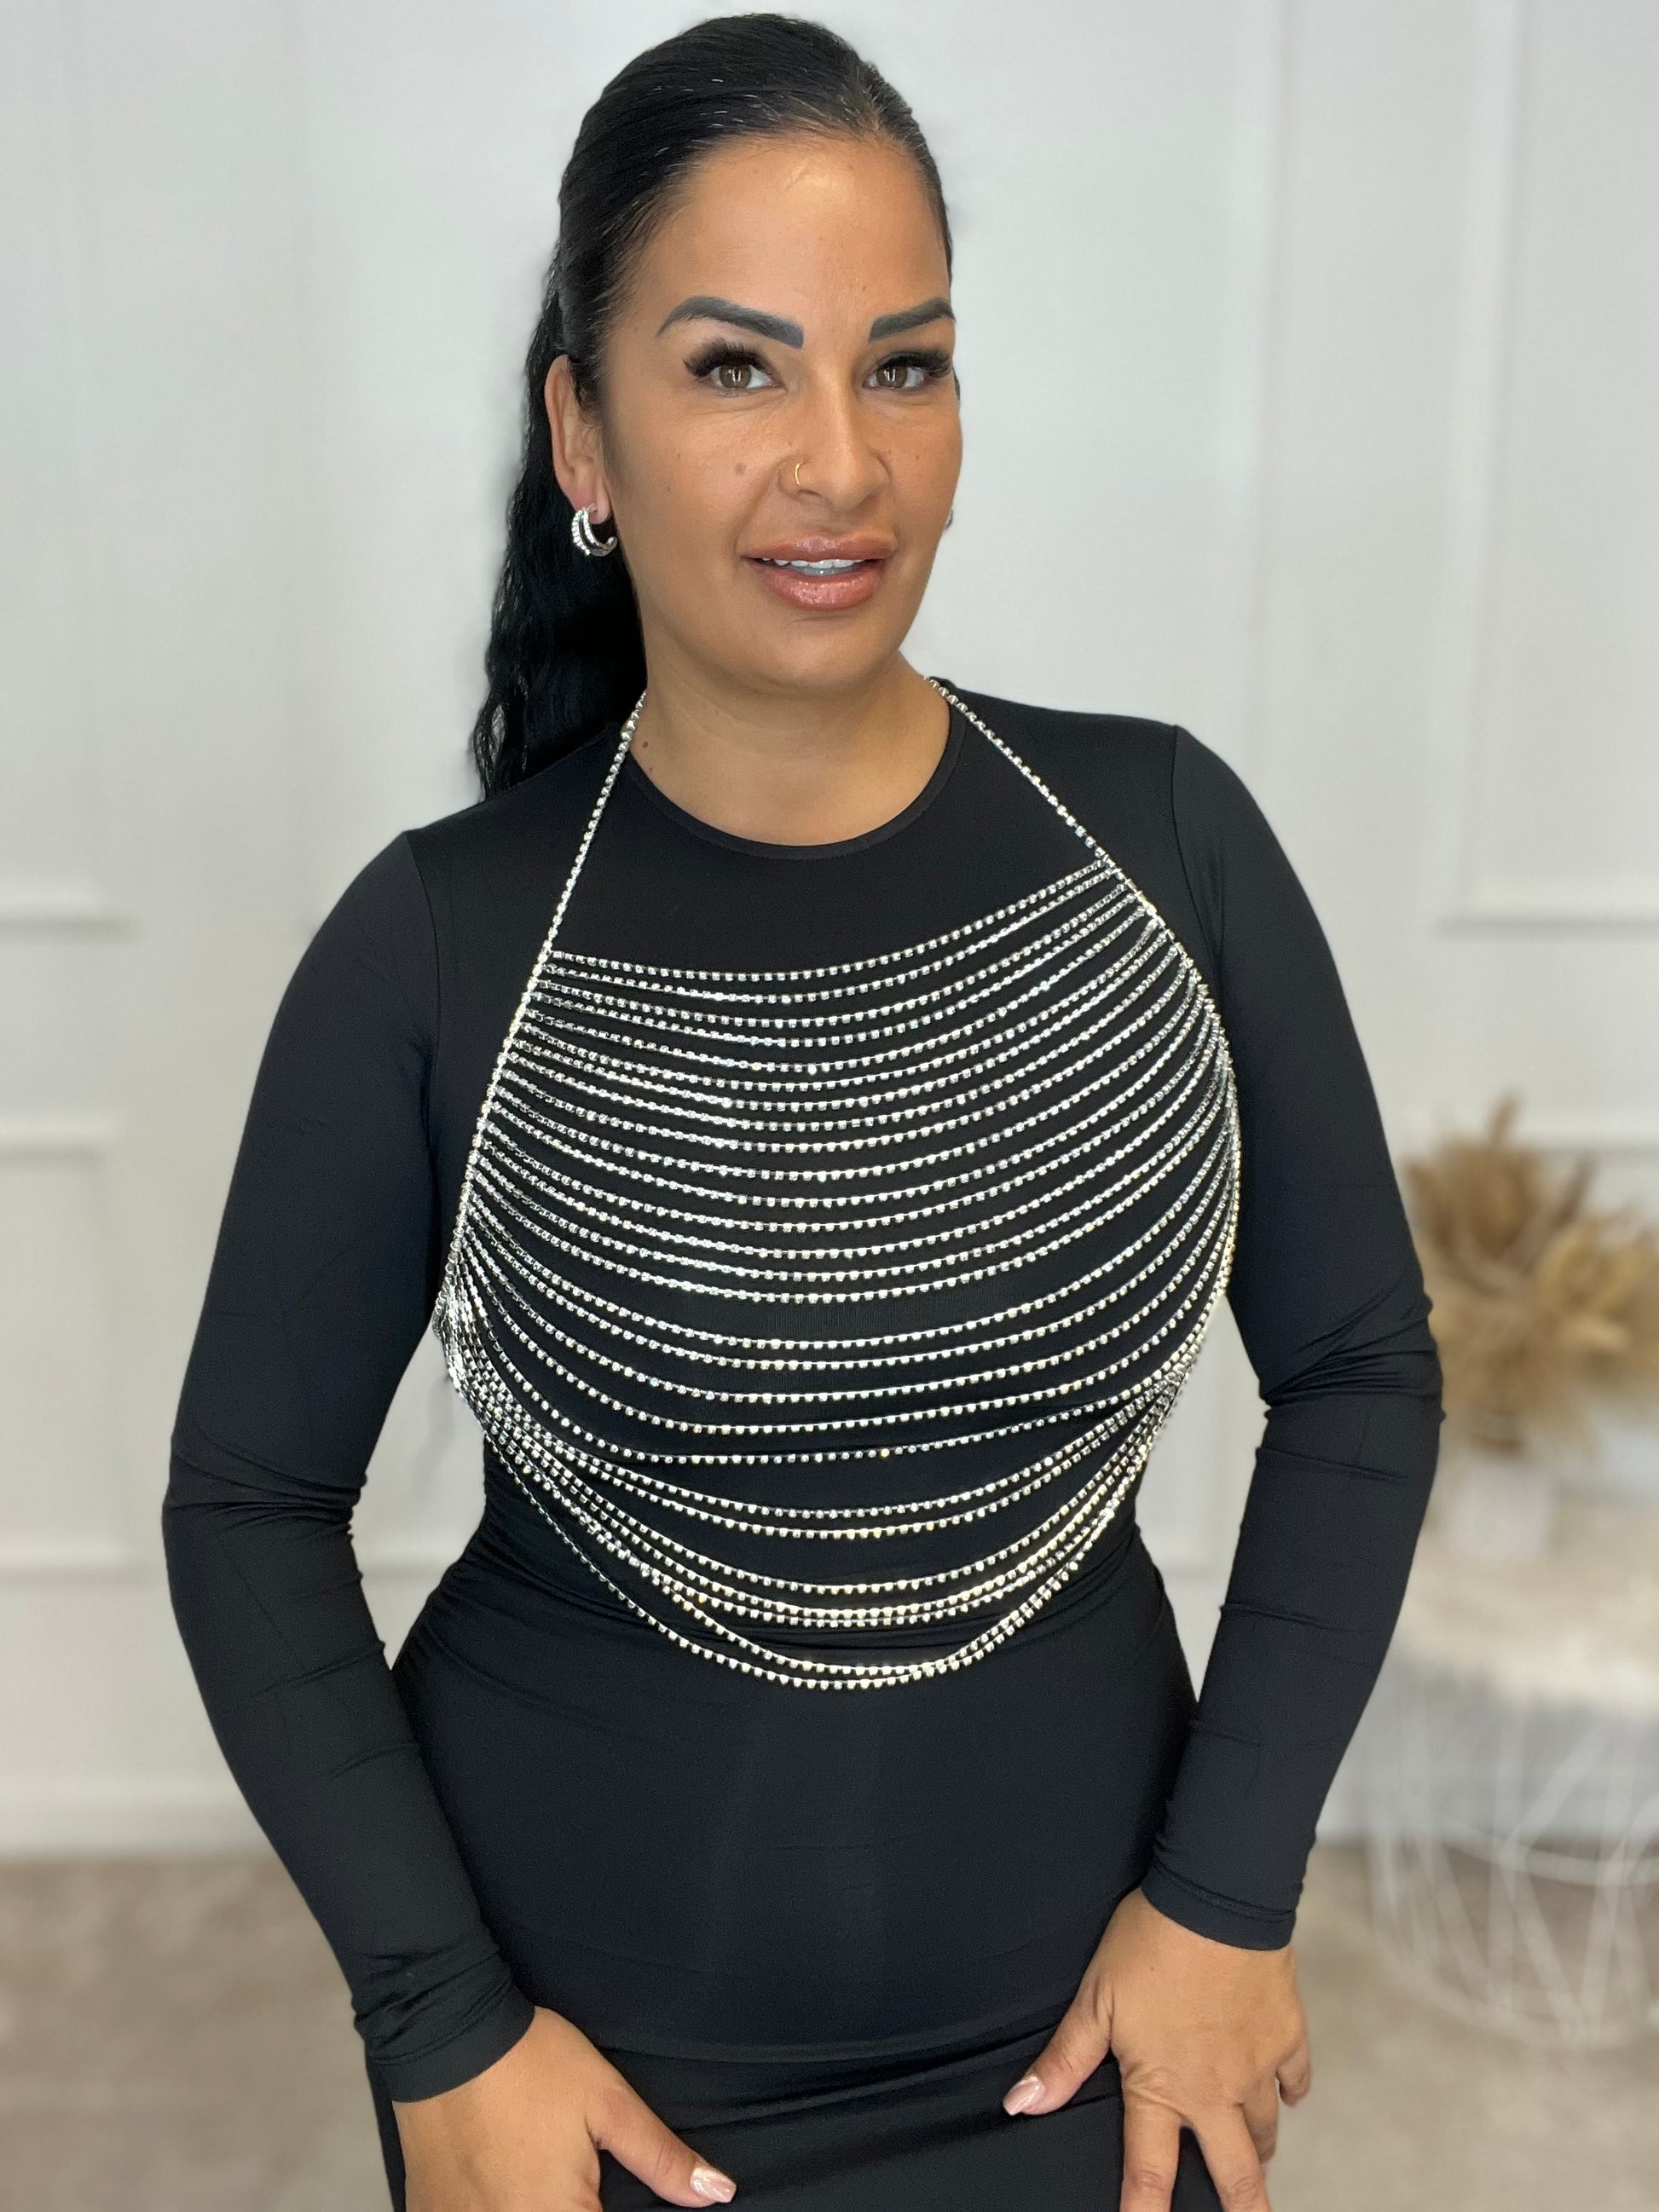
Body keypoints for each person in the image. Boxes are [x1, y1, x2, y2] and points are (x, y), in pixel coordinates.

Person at [163, 15, 1442, 2210]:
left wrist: (1230, 1894)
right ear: (584, 427)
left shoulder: (1163, 840)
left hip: (1101, 2033)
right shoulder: (441, 941)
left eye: (903, 365)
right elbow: (247, 1503)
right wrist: (439, 2024)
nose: (840, 462)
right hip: (596, 2082)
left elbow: (1356, 1366)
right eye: (734, 369)